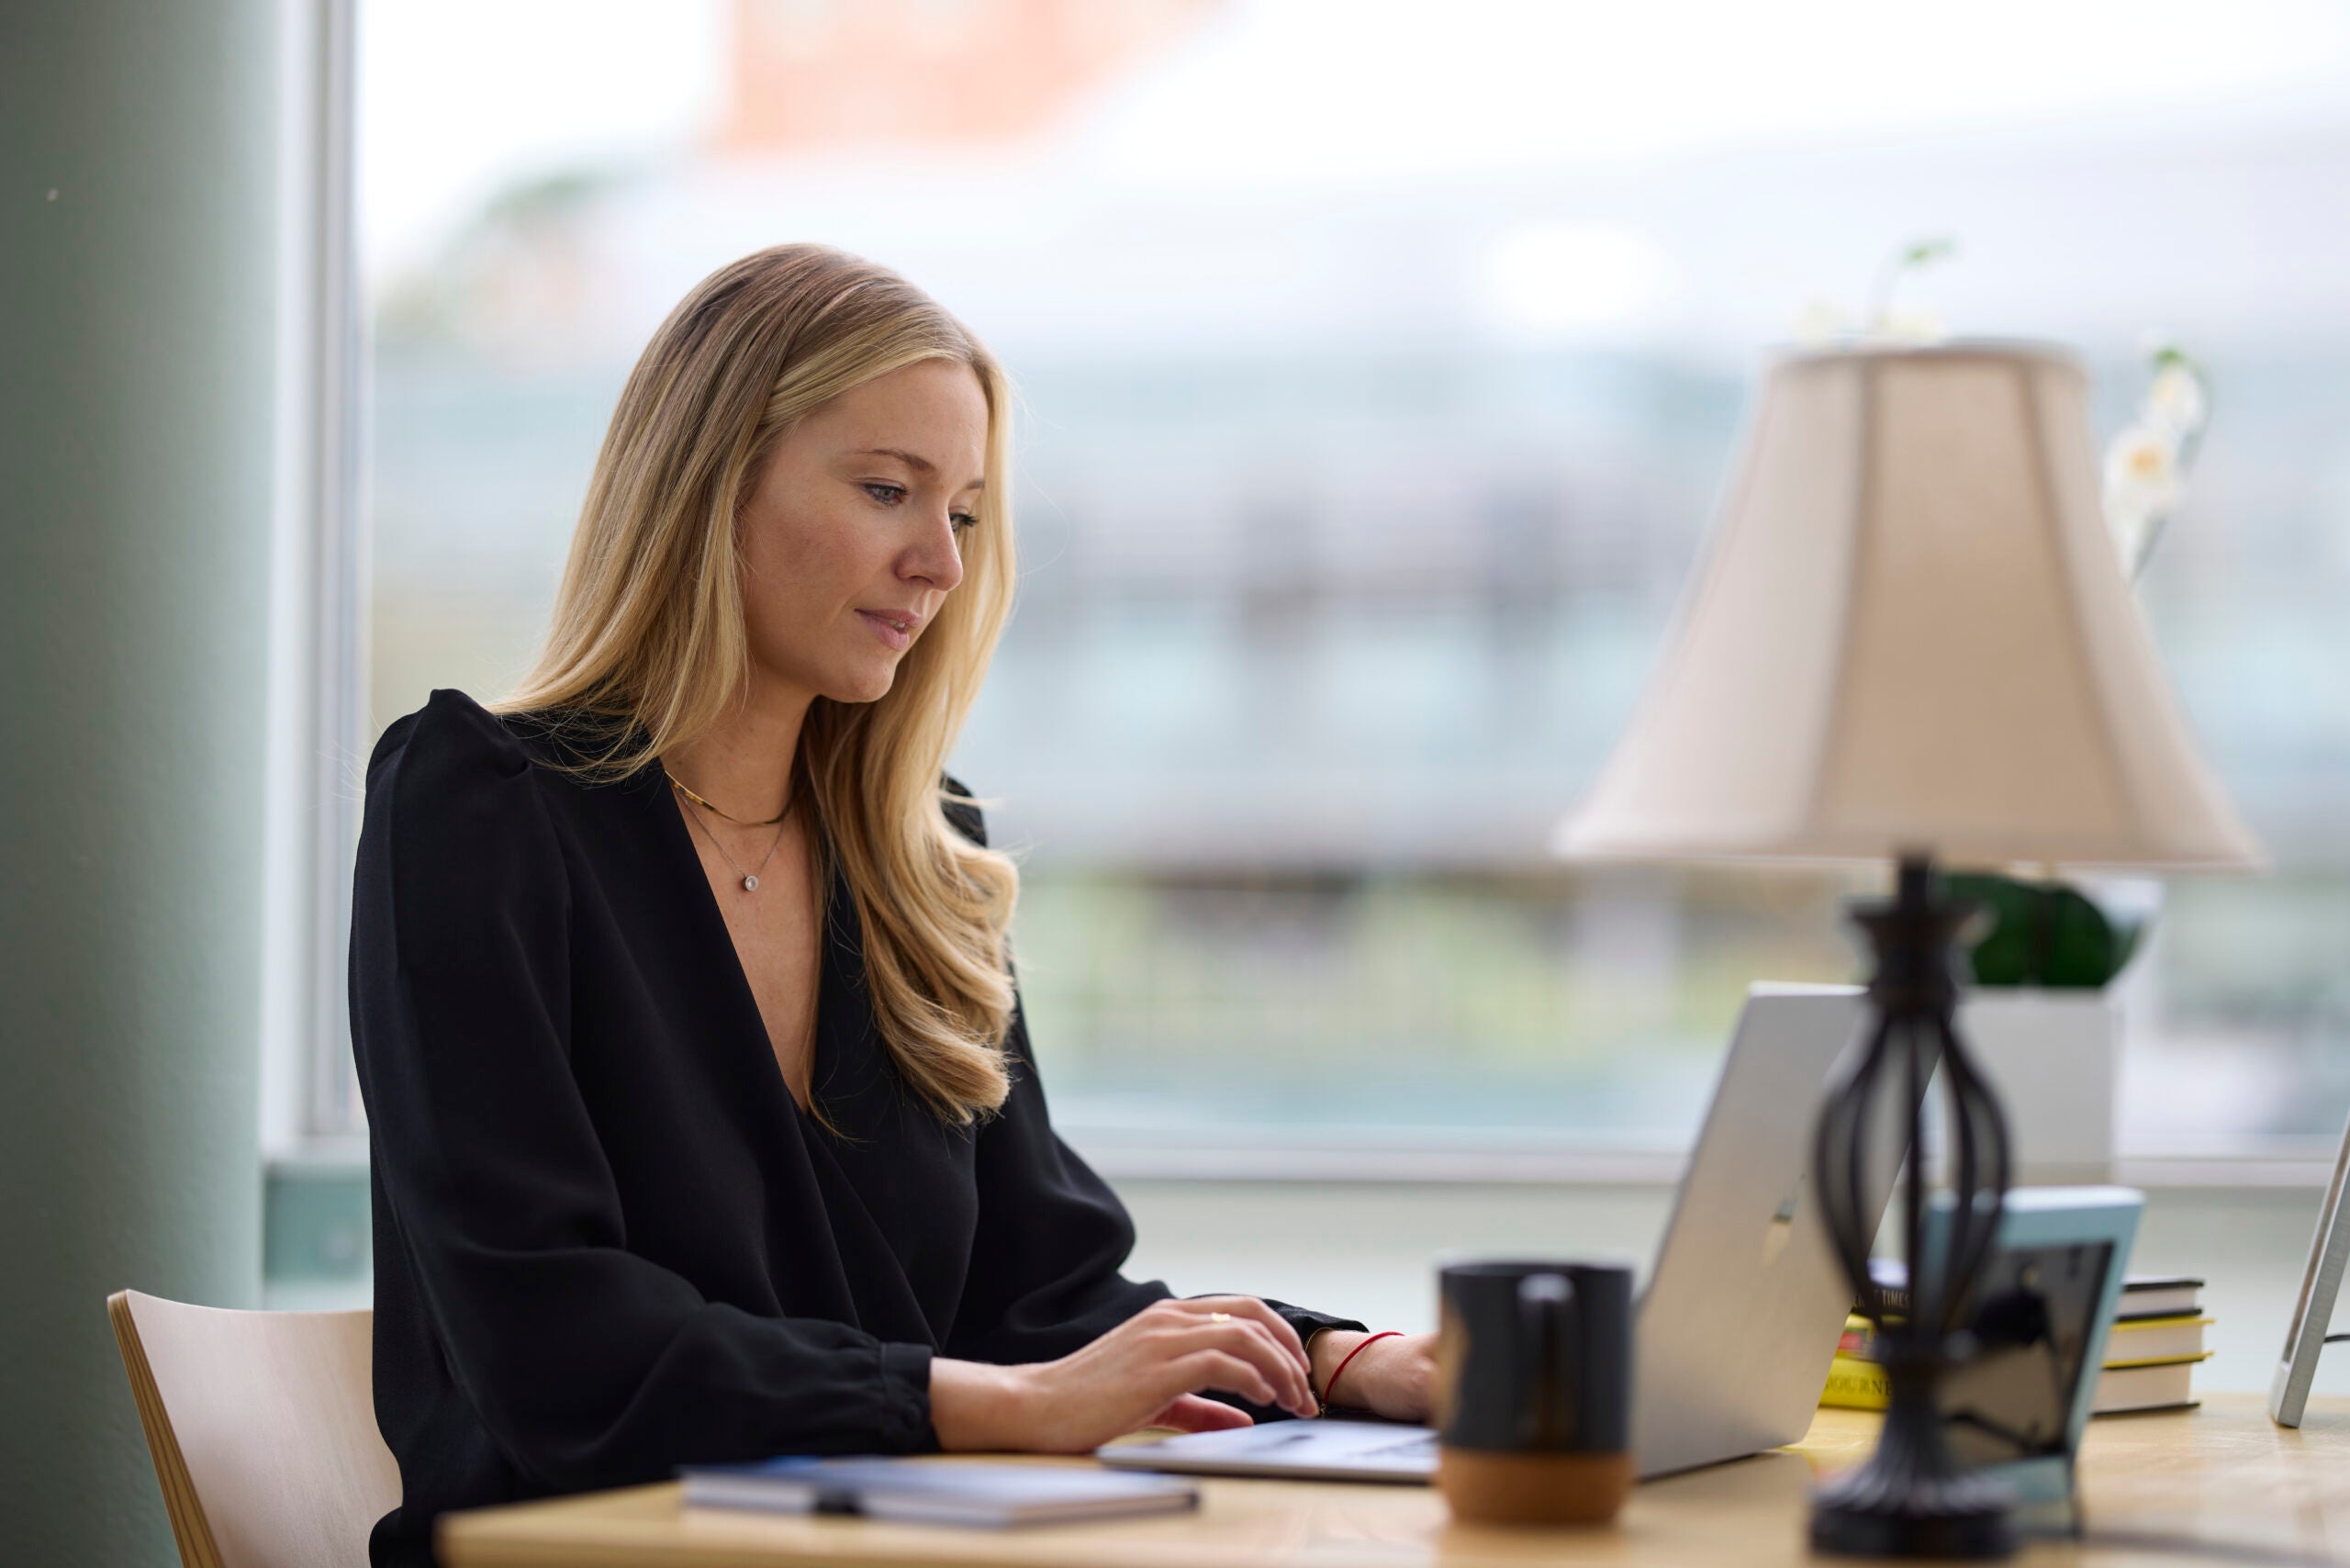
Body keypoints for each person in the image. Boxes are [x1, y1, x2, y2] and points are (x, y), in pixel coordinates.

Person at [348, 243, 1436, 1567]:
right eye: (886, 492)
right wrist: (1006, 1407)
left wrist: (1342, 1359)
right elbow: (550, 1337)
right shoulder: (476, 808)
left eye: (966, 514)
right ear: (711, 483)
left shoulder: (923, 855)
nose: (939, 563)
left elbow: (1044, 1294)